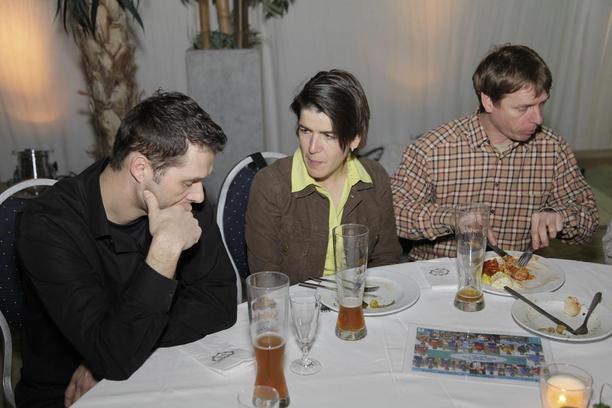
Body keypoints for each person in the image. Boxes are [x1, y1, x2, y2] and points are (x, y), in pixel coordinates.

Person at [16, 91, 238, 407]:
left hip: (156, 370)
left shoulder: (182, 201)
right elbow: (114, 355)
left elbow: (220, 301)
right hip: (69, 394)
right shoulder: (48, 226)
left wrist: (122, 347)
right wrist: (164, 250)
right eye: (188, 182)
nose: (200, 196)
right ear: (140, 169)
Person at [391, 44, 599, 260]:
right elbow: (393, 213)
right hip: (438, 271)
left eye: (541, 104)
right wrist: (452, 218)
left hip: (518, 273)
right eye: (523, 108)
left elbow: (590, 218)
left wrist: (560, 216)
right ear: (488, 102)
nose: (538, 119)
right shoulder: (434, 148)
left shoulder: (553, 149)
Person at [245, 69, 401, 284]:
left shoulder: (375, 179)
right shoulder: (270, 186)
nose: (312, 148)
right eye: (305, 131)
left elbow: (387, 262)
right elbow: (267, 283)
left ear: (355, 139)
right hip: (295, 304)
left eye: (328, 136)